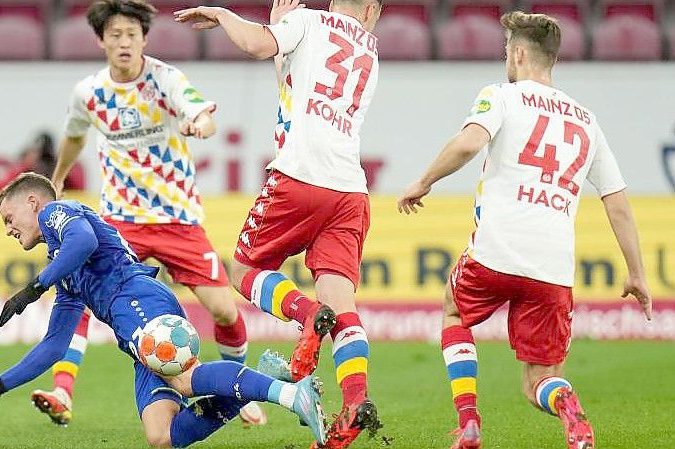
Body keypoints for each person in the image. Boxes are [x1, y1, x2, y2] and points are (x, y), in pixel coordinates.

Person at [396, 11, 653, 449]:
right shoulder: (587, 120)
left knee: (454, 313)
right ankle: (567, 402)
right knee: (539, 381)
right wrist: (636, 273)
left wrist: (423, 181)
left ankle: (468, 422)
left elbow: (468, 142)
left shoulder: (501, 96)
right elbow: (618, 202)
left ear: (517, 53)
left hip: (497, 250)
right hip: (552, 266)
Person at [0, 173, 327, 448]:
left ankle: (291, 395)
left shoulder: (58, 213)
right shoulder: (64, 270)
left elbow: (84, 239)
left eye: (8, 219)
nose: (8, 230)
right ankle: (257, 382)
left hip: (139, 300)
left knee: (183, 380)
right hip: (131, 330)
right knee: (161, 436)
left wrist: (34, 286)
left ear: (33, 202)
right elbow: (55, 345)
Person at [38, 0, 264, 427]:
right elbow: (73, 136)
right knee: (81, 299)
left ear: (144, 38)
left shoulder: (165, 80)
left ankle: (238, 387)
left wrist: (199, 125)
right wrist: (59, 177)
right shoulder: (89, 93)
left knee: (224, 312)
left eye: (131, 34)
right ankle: (62, 391)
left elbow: (203, 115)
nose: (124, 42)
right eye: (115, 35)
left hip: (177, 219)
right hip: (120, 223)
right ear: (101, 40)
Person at [174, 0, 383, 447]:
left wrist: (223, 14)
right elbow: (297, 93)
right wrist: (281, 38)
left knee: (243, 270)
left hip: (300, 177)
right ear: (369, 11)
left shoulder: (307, 20)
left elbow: (252, 43)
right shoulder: (370, 49)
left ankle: (308, 317)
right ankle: (354, 403)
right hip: (350, 190)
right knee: (344, 307)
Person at [0, 132, 85, 192]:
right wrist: (25, 167)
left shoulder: (61, 169)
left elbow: (80, 192)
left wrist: (62, 170)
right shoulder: (24, 169)